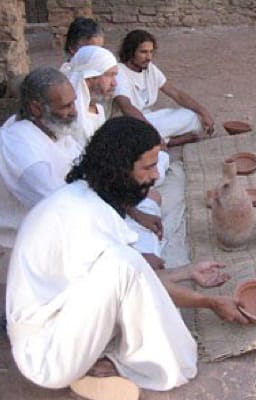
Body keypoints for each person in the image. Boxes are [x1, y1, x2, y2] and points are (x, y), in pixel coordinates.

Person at [6, 117, 249, 400]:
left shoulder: (89, 195)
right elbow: (130, 275)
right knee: (124, 263)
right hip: (46, 355)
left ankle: (98, 364)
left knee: (126, 263)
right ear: (120, 168)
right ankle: (99, 369)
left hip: (61, 324)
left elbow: (135, 279)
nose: (154, 176)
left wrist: (186, 272)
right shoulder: (81, 213)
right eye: (147, 167)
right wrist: (210, 302)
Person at [61, 45, 169, 265]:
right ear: (90, 78)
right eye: (109, 75)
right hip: (96, 202)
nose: (115, 83)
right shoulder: (74, 121)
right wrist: (135, 213)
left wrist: (136, 212)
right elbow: (96, 179)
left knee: (158, 167)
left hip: (109, 192)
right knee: (147, 238)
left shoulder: (99, 110)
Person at [0, 67, 81, 249]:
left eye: (73, 103)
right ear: (36, 108)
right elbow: (59, 204)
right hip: (19, 246)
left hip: (56, 227)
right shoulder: (21, 147)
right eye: (65, 106)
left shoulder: (52, 127)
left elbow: (85, 167)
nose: (74, 112)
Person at [113, 29, 215, 147]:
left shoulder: (149, 68)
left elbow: (176, 94)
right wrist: (151, 132)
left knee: (191, 115)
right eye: (143, 52)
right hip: (129, 123)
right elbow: (126, 107)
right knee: (134, 136)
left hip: (150, 119)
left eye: (151, 52)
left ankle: (159, 140)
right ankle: (167, 141)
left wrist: (204, 112)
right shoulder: (119, 72)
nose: (149, 57)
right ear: (130, 52)